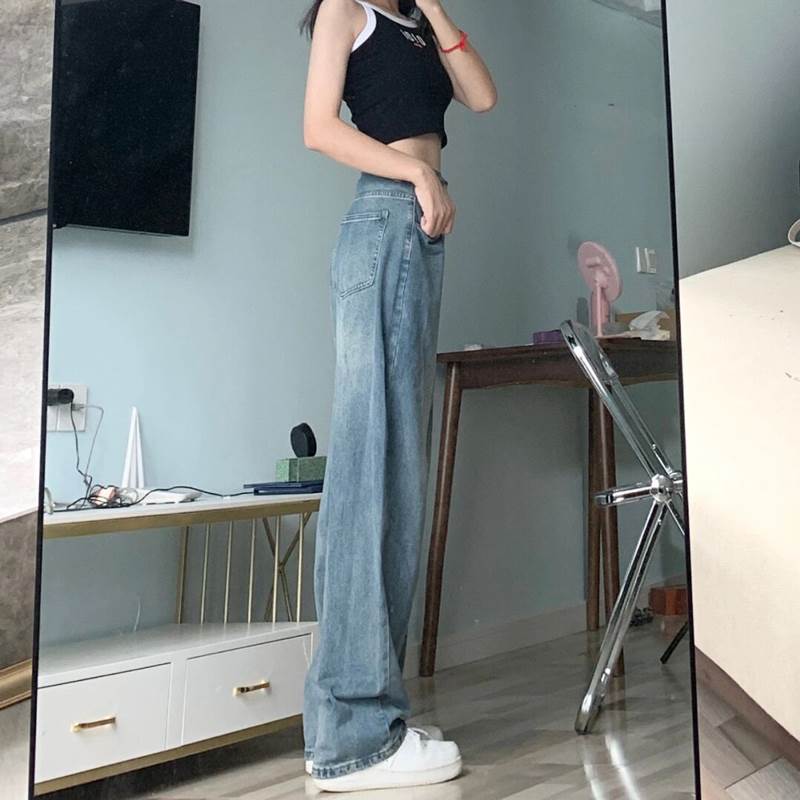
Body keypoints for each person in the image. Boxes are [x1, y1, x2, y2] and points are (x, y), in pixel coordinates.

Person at [300, 0, 497, 791]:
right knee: (369, 476)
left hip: (418, 232)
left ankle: (374, 721)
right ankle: (350, 738)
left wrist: (436, 7)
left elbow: (481, 95)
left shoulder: (414, 20)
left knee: (399, 482)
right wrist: (416, 171)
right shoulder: (343, 9)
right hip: (385, 220)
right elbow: (318, 127)